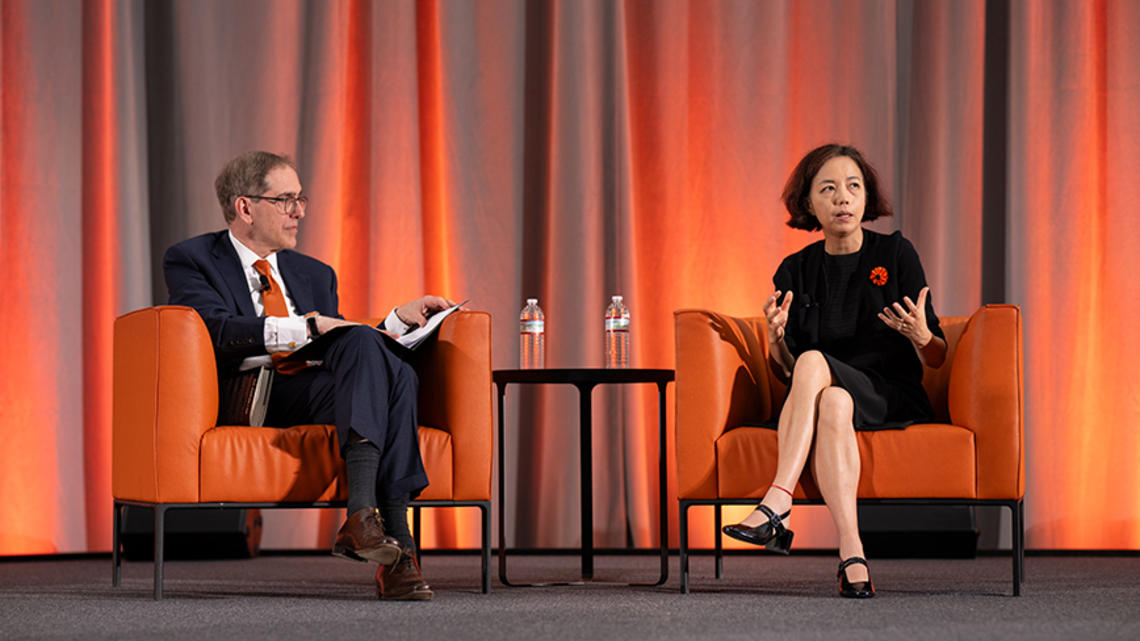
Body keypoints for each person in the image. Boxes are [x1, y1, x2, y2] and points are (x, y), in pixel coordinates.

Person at [164, 150, 455, 601]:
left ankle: (369, 525)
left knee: (397, 373)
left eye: (301, 199)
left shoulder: (314, 273)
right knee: (394, 374)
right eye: (285, 200)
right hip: (254, 393)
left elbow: (349, 353)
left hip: (314, 387)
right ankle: (399, 548)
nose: (299, 211)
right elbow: (216, 328)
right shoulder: (193, 258)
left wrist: (398, 320)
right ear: (245, 207)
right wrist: (306, 325)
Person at [722, 144, 947, 598]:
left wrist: (922, 336)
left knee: (814, 364)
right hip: (832, 394)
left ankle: (776, 502)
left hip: (889, 391)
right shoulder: (795, 270)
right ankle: (852, 552)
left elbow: (939, 356)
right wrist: (776, 341)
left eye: (853, 187)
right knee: (833, 397)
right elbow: (789, 373)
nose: (842, 198)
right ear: (809, 204)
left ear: (866, 199)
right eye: (828, 189)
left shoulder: (896, 253)